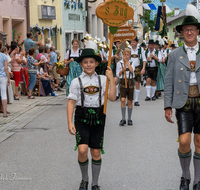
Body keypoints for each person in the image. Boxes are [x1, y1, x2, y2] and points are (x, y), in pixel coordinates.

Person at [67, 48, 116, 190]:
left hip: (98, 117)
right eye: (85, 62)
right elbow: (71, 102)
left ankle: (95, 183)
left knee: (95, 152)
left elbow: (112, 98)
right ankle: (85, 180)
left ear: (96, 63)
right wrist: (69, 122)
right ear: (81, 64)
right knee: (82, 150)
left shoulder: (102, 79)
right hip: (81, 116)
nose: (88, 65)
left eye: (91, 62)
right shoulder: (76, 82)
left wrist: (111, 78)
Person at [164, 4, 200, 190]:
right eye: (186, 30)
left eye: (192, 29)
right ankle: (185, 177)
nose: (189, 32)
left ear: (197, 31)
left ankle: (197, 180)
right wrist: (167, 106)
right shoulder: (174, 54)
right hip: (183, 103)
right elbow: (168, 81)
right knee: (185, 141)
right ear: (181, 33)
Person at [116, 48, 135, 126]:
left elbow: (131, 70)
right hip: (123, 82)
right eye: (124, 55)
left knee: (130, 101)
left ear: (130, 55)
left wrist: (126, 62)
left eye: (127, 55)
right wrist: (122, 70)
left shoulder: (132, 62)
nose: (126, 56)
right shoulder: (119, 63)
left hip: (130, 81)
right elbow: (118, 74)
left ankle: (129, 119)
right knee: (123, 99)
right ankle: (123, 118)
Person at [130, 37, 146, 106]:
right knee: (129, 84)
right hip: (129, 68)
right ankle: (129, 99)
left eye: (133, 42)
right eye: (131, 42)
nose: (132, 43)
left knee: (137, 83)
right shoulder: (128, 48)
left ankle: (136, 100)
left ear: (137, 42)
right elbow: (123, 53)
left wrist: (143, 68)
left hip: (138, 68)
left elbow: (144, 60)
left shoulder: (140, 49)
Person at [0, 41, 10, 117]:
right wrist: (8, 78)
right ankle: (4, 113)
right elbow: (6, 68)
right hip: (3, 76)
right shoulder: (4, 56)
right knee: (3, 94)